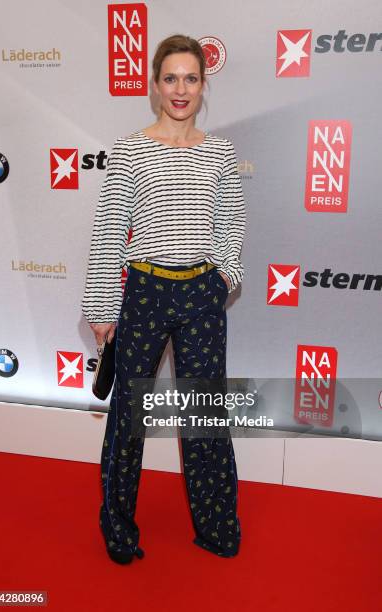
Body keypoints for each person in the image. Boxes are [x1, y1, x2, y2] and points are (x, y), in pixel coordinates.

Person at [81, 34, 246, 565]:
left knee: (204, 417)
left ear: (203, 86)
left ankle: (218, 528)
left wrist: (223, 278)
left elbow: (231, 227)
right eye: (171, 78)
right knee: (129, 417)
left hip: (201, 293)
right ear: (155, 85)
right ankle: (119, 531)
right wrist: (104, 310)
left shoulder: (221, 153)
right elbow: (110, 233)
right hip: (146, 291)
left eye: (191, 79)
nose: (181, 89)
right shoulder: (129, 150)